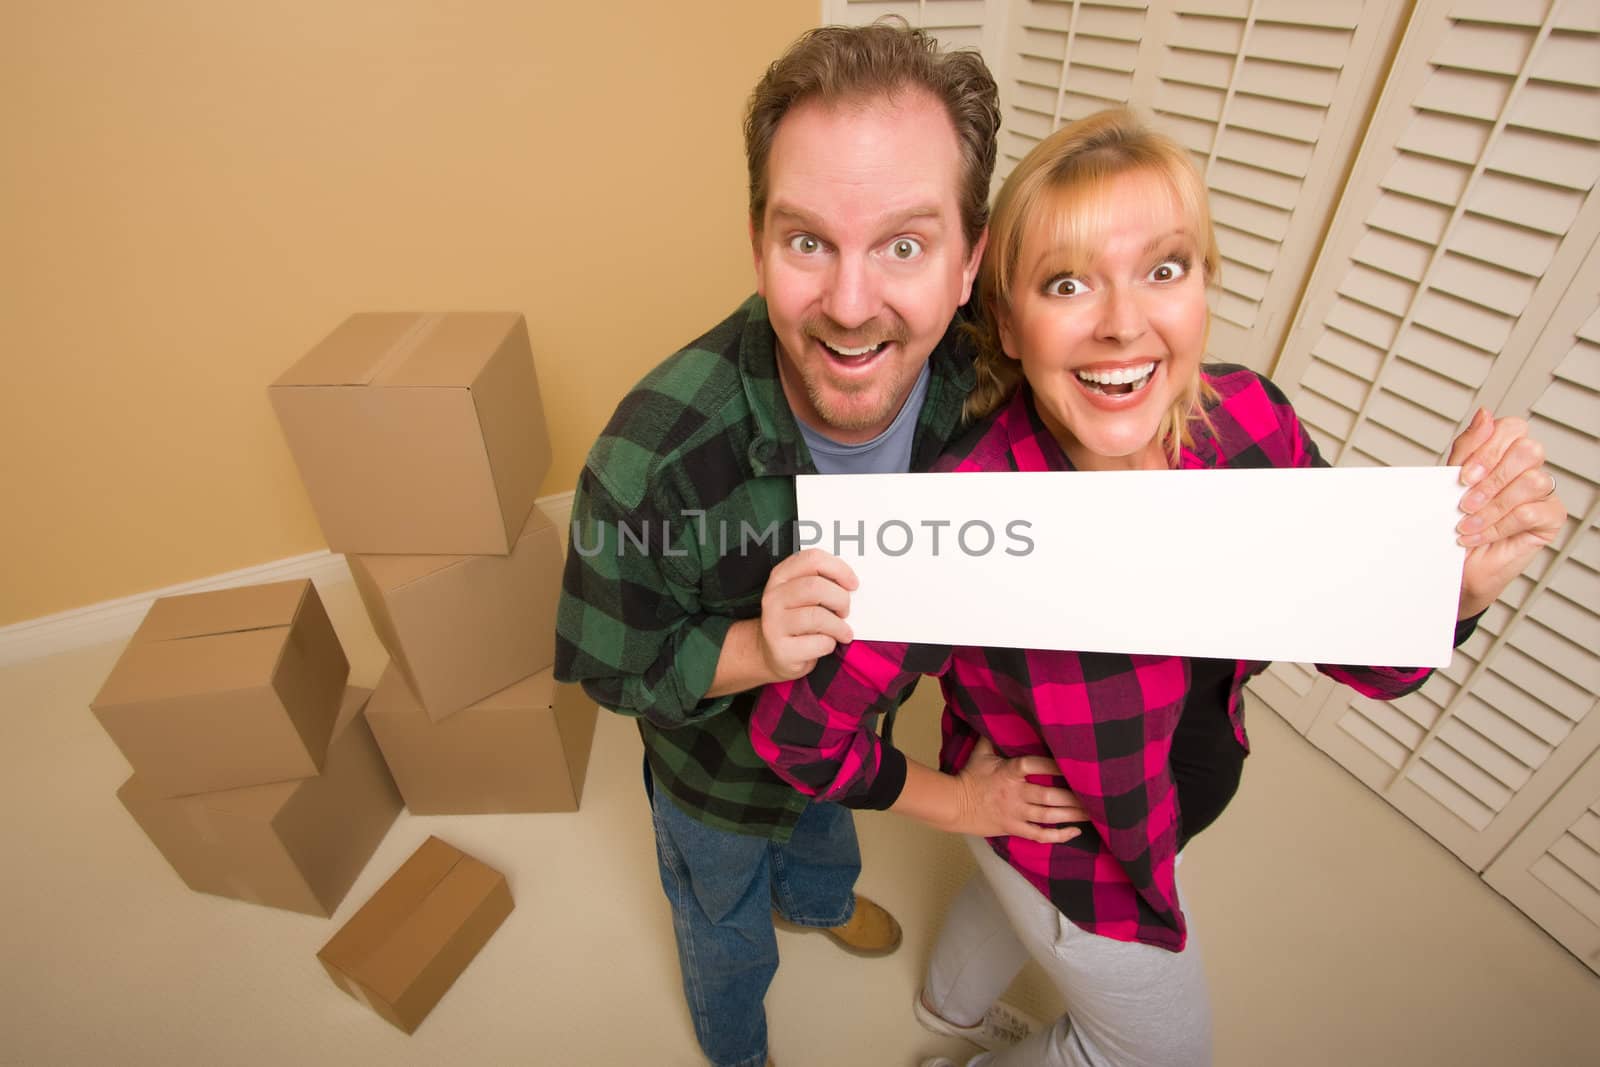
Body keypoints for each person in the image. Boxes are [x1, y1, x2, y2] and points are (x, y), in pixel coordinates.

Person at [749, 108, 1567, 1067]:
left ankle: (947, 1016)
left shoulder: (1250, 423)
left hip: (1160, 804)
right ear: (1007, 322)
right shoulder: (956, 517)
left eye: (1164, 270)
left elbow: (1377, 665)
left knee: (997, 900)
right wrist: (960, 806)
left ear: (1203, 288)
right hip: (1079, 855)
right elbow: (794, 736)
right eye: (1067, 283)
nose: (1125, 323)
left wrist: (1455, 587)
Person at [555, 22, 1075, 1067]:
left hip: (852, 746)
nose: (848, 306)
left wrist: (1447, 576)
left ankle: (821, 900)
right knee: (724, 921)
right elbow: (612, 667)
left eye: (905, 244)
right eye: (807, 241)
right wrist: (753, 647)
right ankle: (735, 1038)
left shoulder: (999, 384)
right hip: (715, 781)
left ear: (972, 260)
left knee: (825, 838)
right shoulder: (647, 461)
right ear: (757, 242)